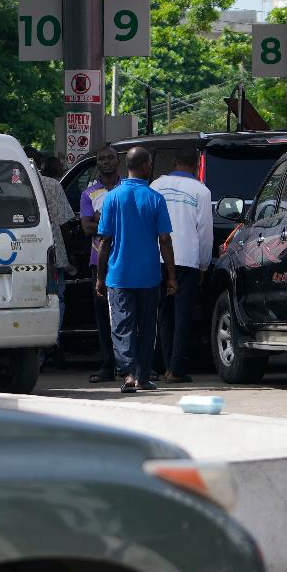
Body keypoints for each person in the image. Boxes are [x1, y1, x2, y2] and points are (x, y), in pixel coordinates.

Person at [93, 146, 176, 393]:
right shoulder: (155, 198)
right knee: (147, 326)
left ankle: (128, 374)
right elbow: (165, 240)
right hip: (149, 275)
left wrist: (99, 277)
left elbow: (104, 241)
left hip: (118, 275)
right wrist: (171, 276)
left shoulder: (112, 198)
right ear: (146, 167)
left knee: (121, 325)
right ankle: (143, 376)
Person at [153, 150, 214, 382]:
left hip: (158, 256)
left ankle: (166, 363)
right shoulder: (201, 191)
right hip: (187, 260)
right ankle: (176, 369)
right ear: (196, 164)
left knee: (163, 313)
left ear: (175, 162)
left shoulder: (157, 185)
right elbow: (205, 233)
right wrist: (203, 264)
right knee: (183, 315)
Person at [78, 148, 123, 382]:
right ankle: (108, 364)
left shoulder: (127, 189)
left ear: (119, 161)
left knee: (128, 315)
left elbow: (131, 222)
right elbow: (86, 228)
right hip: (100, 262)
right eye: (101, 159)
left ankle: (130, 366)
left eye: (110, 158)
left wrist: (101, 220)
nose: (106, 162)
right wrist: (116, 224)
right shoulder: (89, 193)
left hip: (126, 259)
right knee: (103, 317)